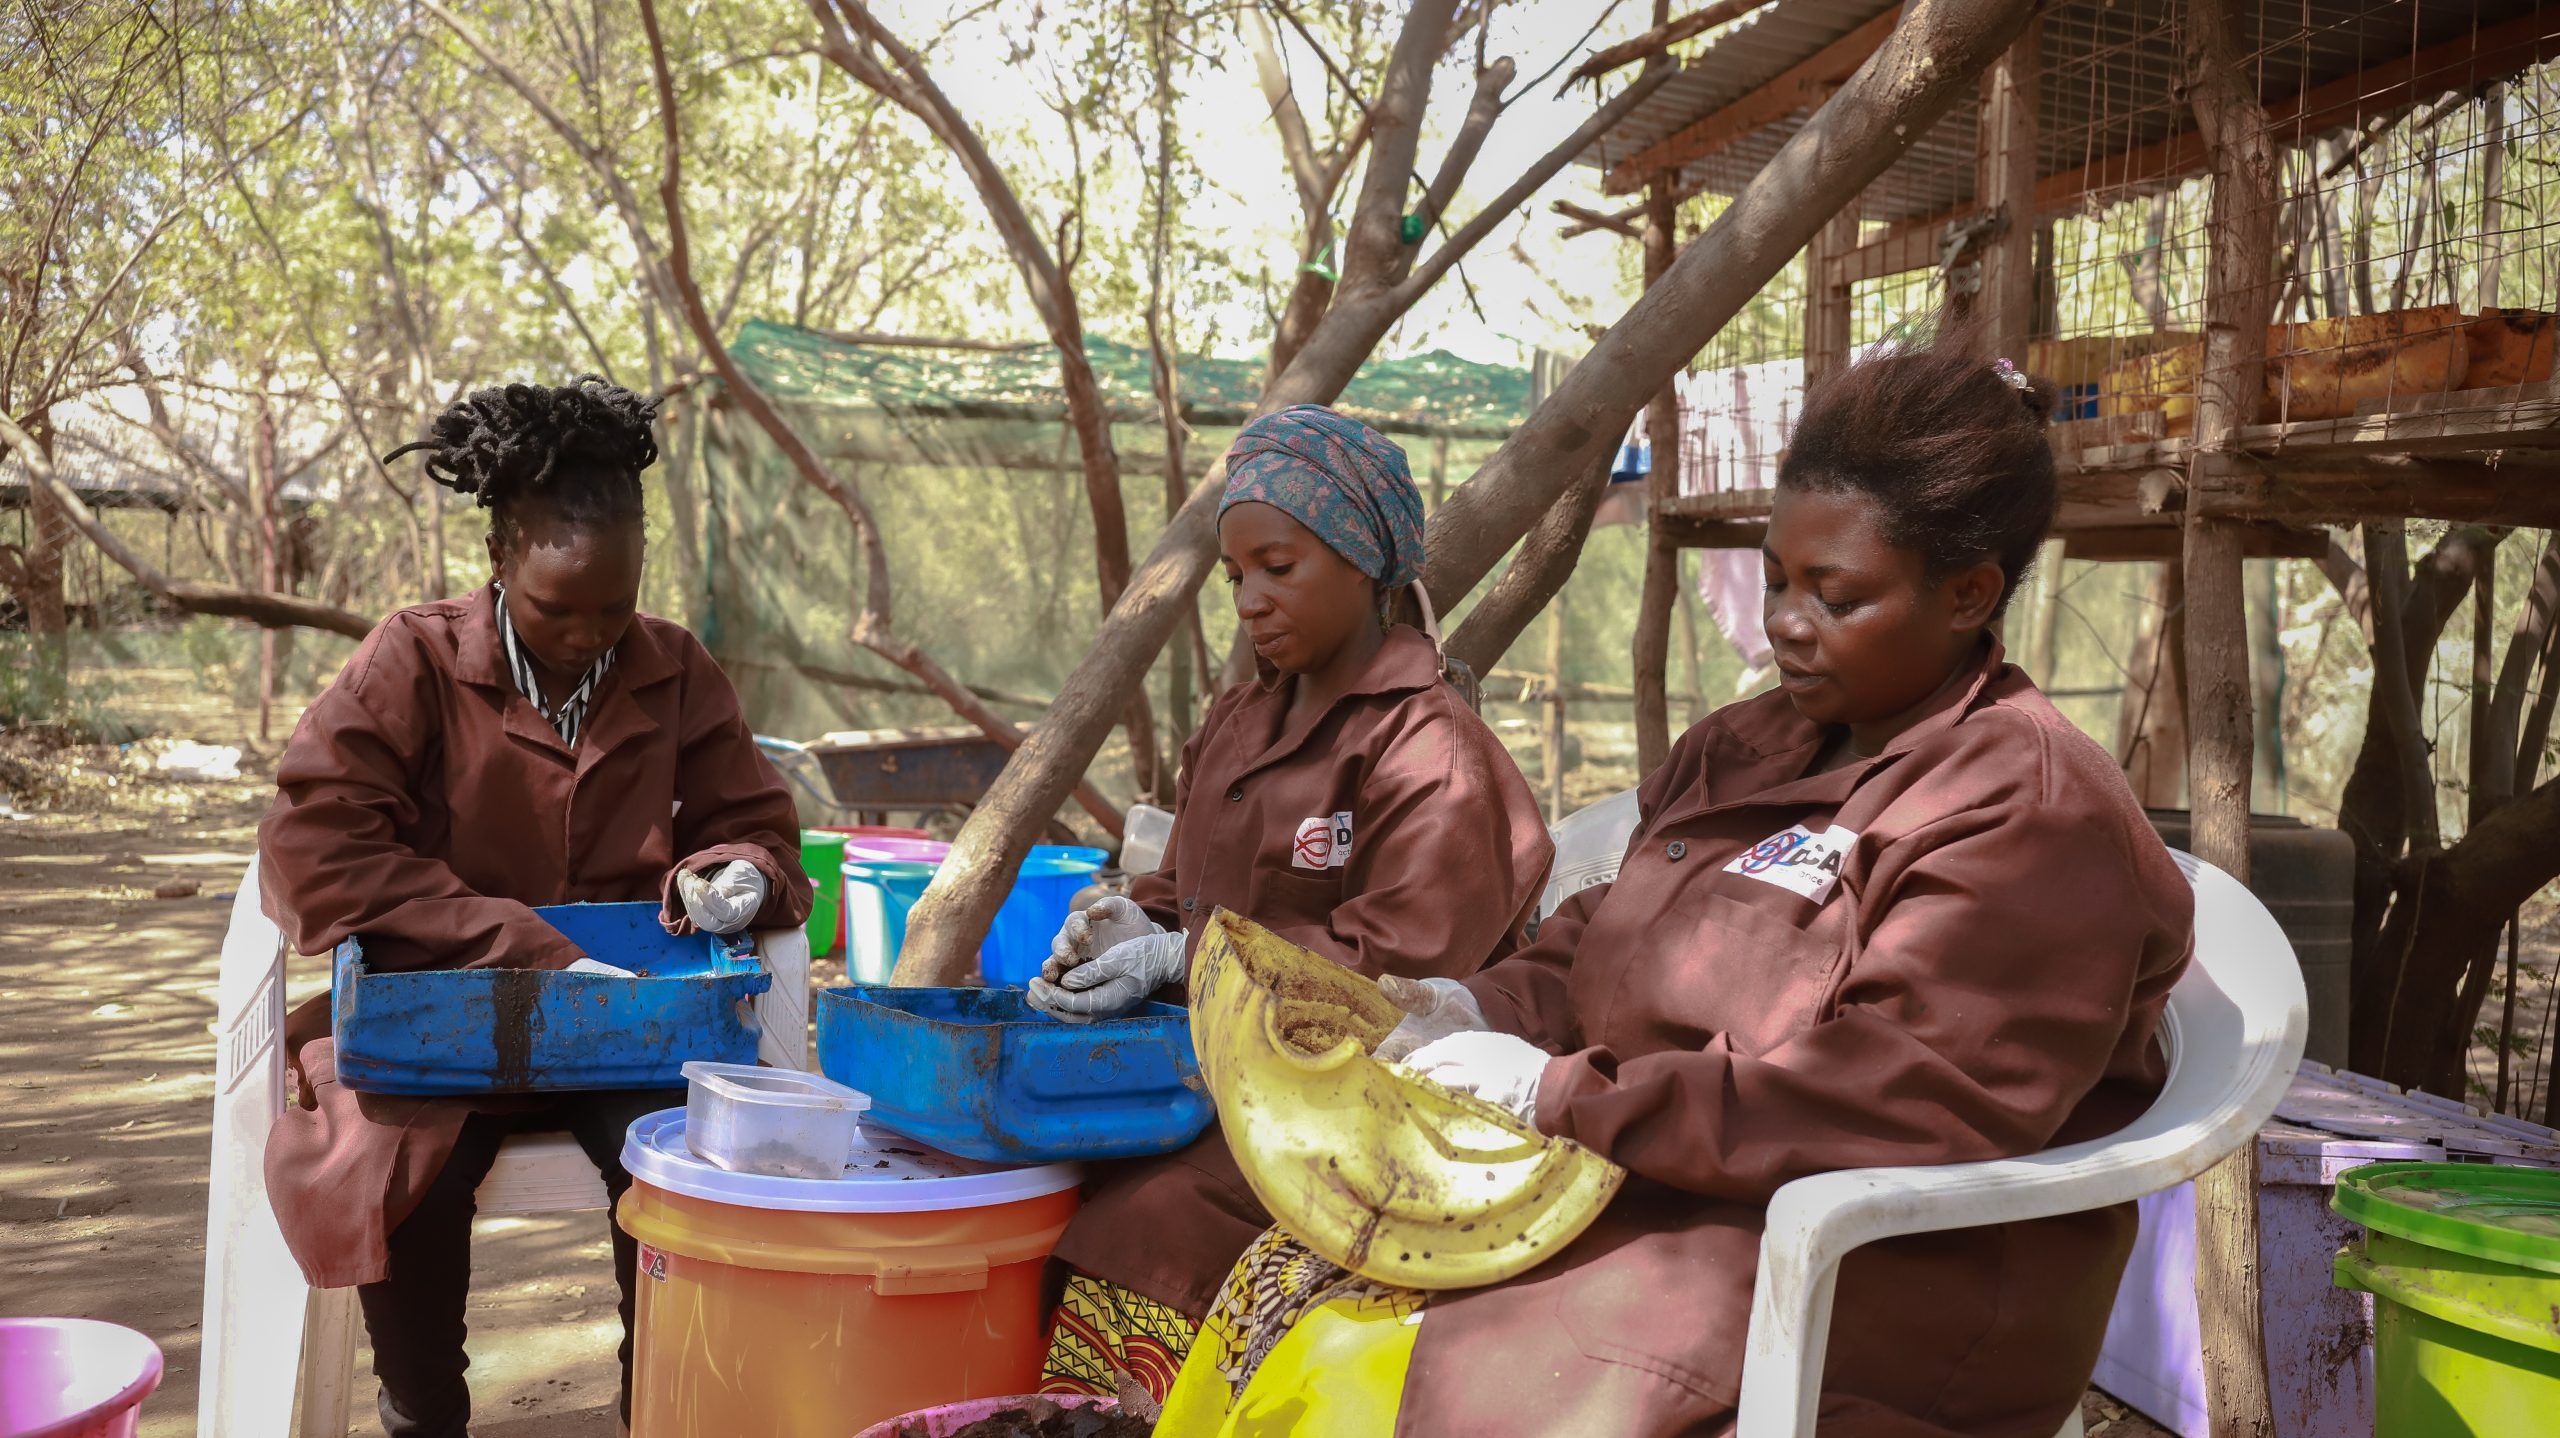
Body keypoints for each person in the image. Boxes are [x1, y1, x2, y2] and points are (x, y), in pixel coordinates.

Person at [1157, 333, 2195, 1438]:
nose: (1786, 622)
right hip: (1665, 1185)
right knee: (1301, 1281)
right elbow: (1605, 936)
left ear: (1967, 594)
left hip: (1871, 1266)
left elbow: (1892, 1097)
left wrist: (1559, 1095)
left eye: (1835, 597)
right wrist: (1475, 1007)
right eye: (1777, 579)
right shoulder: (1752, 742)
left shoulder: (2026, 812)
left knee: (1435, 1374)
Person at [258, 378, 810, 1438]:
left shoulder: (677, 669)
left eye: (615, 606)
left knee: (689, 1159)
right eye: (558, 609)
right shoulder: (412, 659)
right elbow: (314, 845)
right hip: (434, 1020)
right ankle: (423, 1413)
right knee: (400, 1171)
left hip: (626, 1026)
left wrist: (730, 871)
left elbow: (759, 831)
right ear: (502, 562)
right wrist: (515, 941)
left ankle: (663, 1407)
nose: (588, 635)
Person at [1027, 404, 1554, 1404]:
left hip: (1363, 1107)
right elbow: (1173, 888)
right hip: (1218, 1079)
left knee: (1156, 1219)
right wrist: (1121, 925)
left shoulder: (1429, 750)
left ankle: (1130, 1414)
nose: (1249, 600)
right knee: (1032, 1171)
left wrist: (1192, 958)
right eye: (1235, 577)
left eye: (1279, 566)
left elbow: (1401, 975)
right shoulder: (1241, 722)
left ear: (1362, 560)